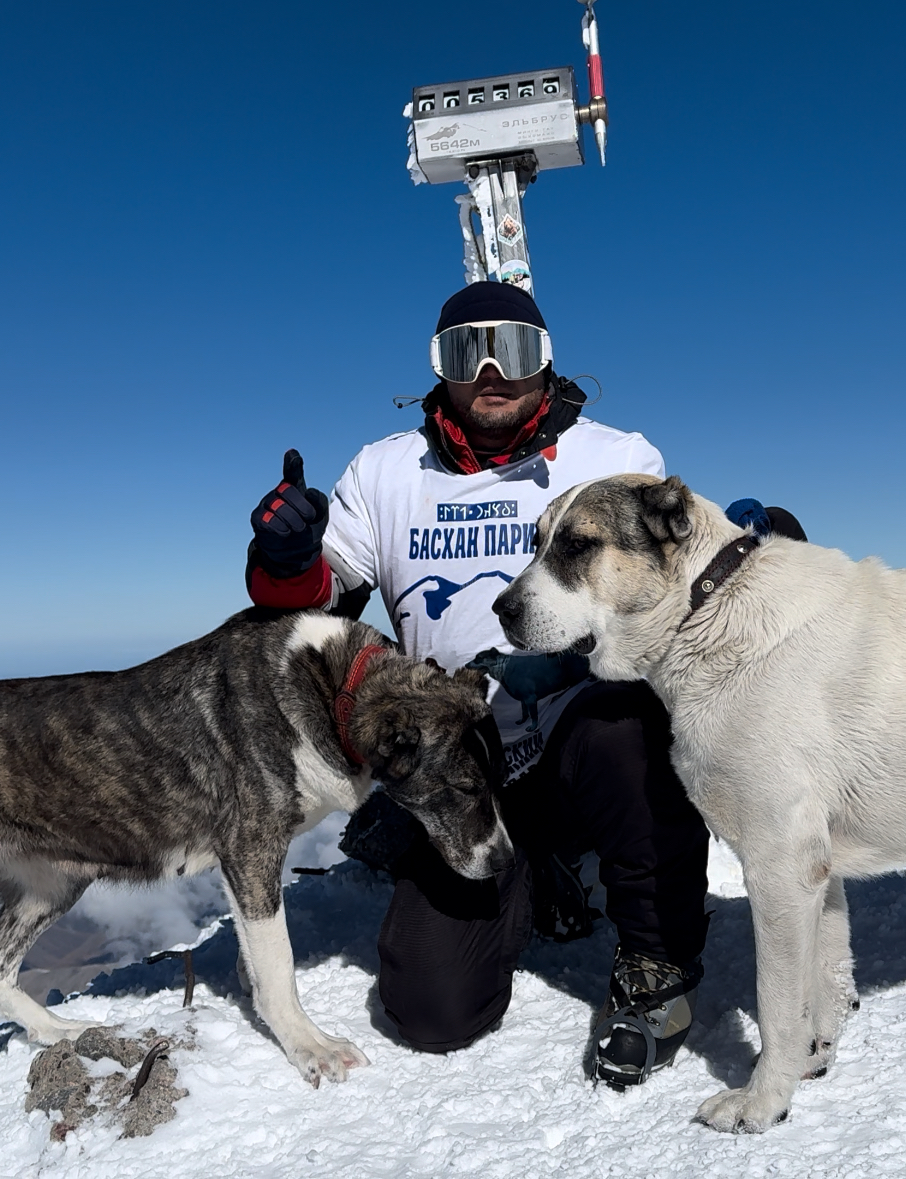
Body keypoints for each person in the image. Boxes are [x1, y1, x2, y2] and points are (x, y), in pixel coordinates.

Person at [244, 280, 802, 1087]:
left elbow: (676, 583)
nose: (493, 371)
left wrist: (757, 550)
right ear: (441, 370)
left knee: (632, 730)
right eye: (467, 352)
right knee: (433, 1013)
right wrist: (286, 560)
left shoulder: (613, 458)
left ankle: (656, 968)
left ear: (547, 358)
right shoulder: (385, 470)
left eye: (516, 347)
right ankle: (537, 870)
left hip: (581, 728)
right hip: (457, 755)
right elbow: (322, 592)